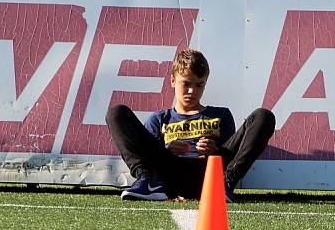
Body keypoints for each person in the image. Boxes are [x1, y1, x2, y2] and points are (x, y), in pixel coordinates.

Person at [106, 48, 275, 202]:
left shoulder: (221, 115)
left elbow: (231, 155)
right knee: (117, 112)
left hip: (210, 175)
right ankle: (148, 182)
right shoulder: (159, 118)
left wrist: (214, 151)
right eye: (186, 83)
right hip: (169, 176)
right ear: (173, 81)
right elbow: (151, 157)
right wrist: (167, 149)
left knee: (263, 116)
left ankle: (225, 185)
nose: (192, 91)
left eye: (199, 85)